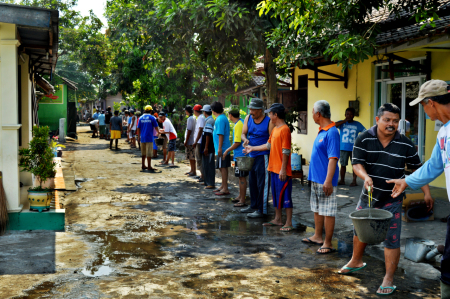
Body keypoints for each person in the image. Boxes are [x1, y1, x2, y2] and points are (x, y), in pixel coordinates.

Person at [338, 103, 432, 296]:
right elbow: (356, 164)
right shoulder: (363, 138)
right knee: (359, 231)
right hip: (368, 196)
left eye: (395, 121)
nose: (391, 124)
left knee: (392, 239)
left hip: (393, 199)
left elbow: (418, 169)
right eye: (387, 120)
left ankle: (388, 278)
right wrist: (365, 177)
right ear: (377, 120)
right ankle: (356, 260)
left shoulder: (405, 143)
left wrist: (427, 192)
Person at [385, 81, 449, 297]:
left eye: (422, 106)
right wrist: (407, 182)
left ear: (431, 103)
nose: (423, 111)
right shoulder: (444, 133)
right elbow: (433, 166)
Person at [244, 103, 293, 230]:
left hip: (282, 170)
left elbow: (286, 151)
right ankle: (277, 219)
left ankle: (288, 222)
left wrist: (283, 169)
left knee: (286, 196)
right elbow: (268, 145)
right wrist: (252, 148)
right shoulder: (276, 129)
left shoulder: (285, 129)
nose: (269, 116)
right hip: (273, 168)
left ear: (275, 115)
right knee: (276, 195)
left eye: (270, 113)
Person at [302, 100, 339, 254]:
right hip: (317, 178)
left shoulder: (332, 132)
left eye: (312, 112)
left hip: (325, 180)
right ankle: (318, 236)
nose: (312, 115)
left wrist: (328, 180)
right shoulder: (322, 130)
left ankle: (328, 243)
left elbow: (333, 158)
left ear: (318, 114)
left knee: (328, 211)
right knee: (317, 209)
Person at [240, 98, 275, 218]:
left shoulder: (268, 121)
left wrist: (255, 148)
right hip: (251, 155)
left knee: (263, 184)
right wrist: (245, 140)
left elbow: (271, 142)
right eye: (250, 109)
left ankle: (262, 210)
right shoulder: (248, 118)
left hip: (263, 156)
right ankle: (253, 206)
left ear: (261, 110)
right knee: (253, 182)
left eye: (253, 110)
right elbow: (243, 133)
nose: (250, 112)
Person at [223, 106, 248, 206]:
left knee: (241, 177)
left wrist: (227, 151)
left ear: (230, 115)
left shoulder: (238, 125)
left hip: (240, 156)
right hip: (238, 155)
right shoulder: (240, 122)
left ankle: (242, 200)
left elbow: (237, 142)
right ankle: (240, 196)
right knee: (239, 176)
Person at [335, 107, 366, 186]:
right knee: (343, 164)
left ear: (354, 115)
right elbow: (334, 125)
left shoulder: (357, 124)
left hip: (354, 148)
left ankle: (354, 181)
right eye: (347, 114)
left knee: (354, 165)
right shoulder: (342, 123)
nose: (349, 116)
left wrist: (360, 142)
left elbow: (365, 132)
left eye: (351, 114)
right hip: (343, 148)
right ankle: (342, 180)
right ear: (345, 115)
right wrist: (344, 121)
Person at [211, 101, 231, 196]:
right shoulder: (221, 118)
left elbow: (221, 134)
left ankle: (225, 188)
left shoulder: (220, 119)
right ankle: (223, 186)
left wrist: (219, 148)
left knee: (223, 167)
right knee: (222, 167)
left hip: (222, 148)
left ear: (214, 110)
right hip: (222, 147)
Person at [137, 105, 159, 171]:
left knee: (143, 152)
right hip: (149, 137)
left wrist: (138, 137)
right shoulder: (152, 118)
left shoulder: (141, 118)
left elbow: (138, 128)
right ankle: (149, 166)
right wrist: (159, 132)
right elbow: (156, 127)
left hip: (142, 137)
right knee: (149, 152)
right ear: (151, 111)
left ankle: (143, 165)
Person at [200, 105, 215, 189]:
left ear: (204, 112)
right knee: (205, 164)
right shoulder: (209, 120)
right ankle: (206, 181)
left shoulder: (209, 121)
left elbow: (208, 135)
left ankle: (210, 183)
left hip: (209, 147)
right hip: (207, 146)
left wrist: (206, 147)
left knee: (209, 165)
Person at [193, 104, 205, 182]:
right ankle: (201, 174)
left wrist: (196, 141)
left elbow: (200, 130)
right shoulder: (200, 117)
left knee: (199, 158)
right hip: (199, 141)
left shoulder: (201, 118)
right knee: (199, 158)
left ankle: (203, 175)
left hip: (199, 141)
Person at [184, 105, 197, 176]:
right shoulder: (193, 117)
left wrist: (186, 140)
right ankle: (192, 170)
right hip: (192, 140)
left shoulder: (190, 119)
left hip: (190, 140)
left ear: (187, 111)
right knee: (191, 156)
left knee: (191, 156)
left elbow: (189, 130)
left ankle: (193, 171)